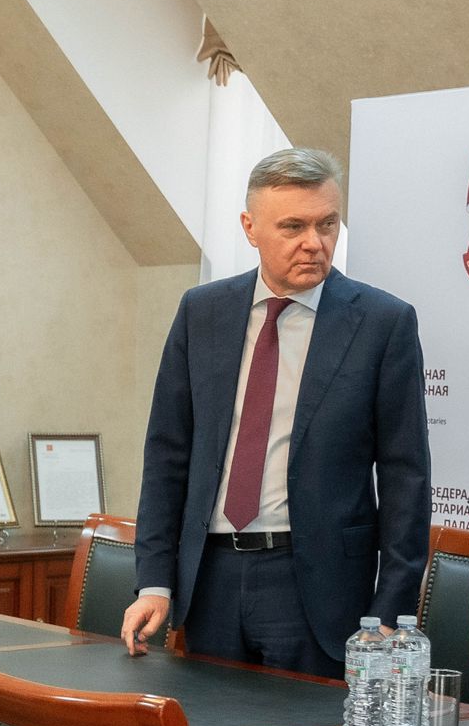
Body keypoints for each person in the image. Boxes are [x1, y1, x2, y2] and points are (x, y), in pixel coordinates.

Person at [125, 147, 431, 677]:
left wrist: (390, 611)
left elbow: (407, 476)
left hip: (318, 586)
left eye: (327, 224)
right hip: (211, 580)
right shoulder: (202, 312)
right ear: (250, 228)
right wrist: (154, 582)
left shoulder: (383, 323)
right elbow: (167, 454)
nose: (314, 242)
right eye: (293, 226)